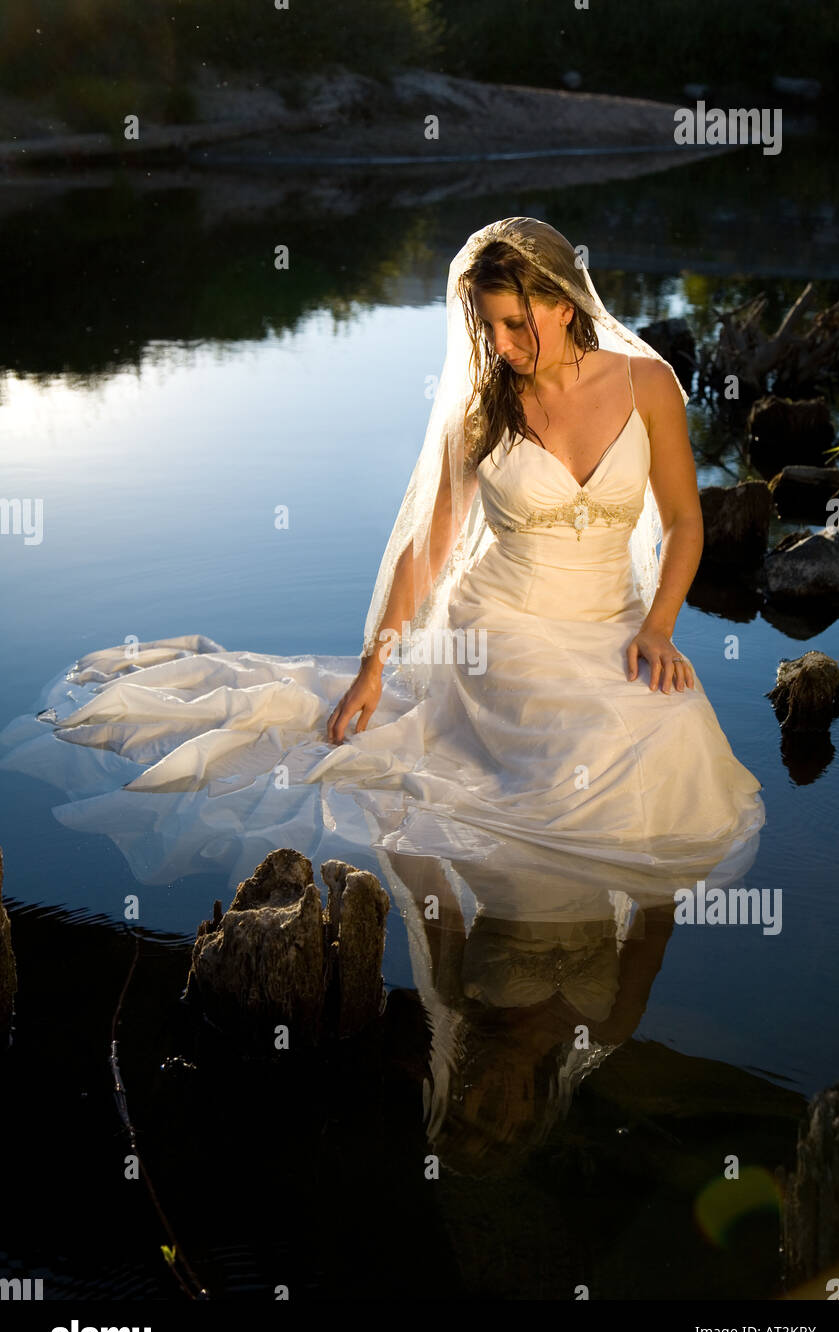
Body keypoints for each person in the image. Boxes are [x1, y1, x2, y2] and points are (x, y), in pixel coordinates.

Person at [0, 216, 764, 892]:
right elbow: (427, 549)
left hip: (616, 618)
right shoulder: (480, 412)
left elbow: (685, 524)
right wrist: (375, 664)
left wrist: (658, 627)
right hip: (501, 622)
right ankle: (537, 936)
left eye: (513, 324)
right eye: (487, 328)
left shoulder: (649, 384)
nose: (498, 346)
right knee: (586, 747)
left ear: (565, 306)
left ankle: (619, 986)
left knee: (675, 728)